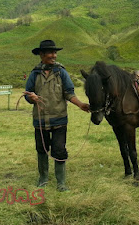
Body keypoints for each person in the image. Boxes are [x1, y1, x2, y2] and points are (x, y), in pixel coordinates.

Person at [24, 40, 89, 192]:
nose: (54, 55)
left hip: (59, 119)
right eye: (50, 53)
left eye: (55, 53)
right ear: (41, 55)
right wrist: (31, 98)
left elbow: (69, 93)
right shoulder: (34, 74)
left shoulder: (61, 72)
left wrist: (80, 104)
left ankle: (61, 183)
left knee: (59, 150)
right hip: (40, 120)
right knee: (42, 149)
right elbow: (27, 94)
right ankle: (43, 179)